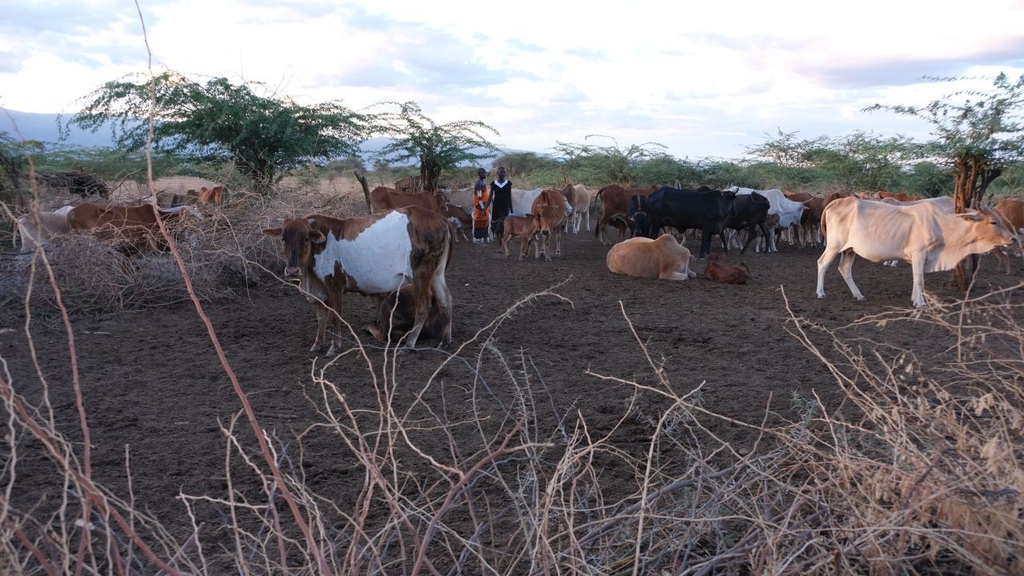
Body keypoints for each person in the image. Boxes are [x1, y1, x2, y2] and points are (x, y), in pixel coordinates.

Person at [490, 166, 512, 240]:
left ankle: (501, 245)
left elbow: (509, 197)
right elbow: (490, 197)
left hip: (505, 207)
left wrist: (511, 210)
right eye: (501, 172)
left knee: (503, 225)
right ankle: (499, 242)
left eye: (503, 172)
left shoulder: (508, 183)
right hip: (496, 207)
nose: (502, 173)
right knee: (496, 225)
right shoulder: (493, 184)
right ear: (497, 173)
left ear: (505, 173)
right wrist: (484, 209)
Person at [472, 167, 492, 243]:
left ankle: (483, 236)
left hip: (484, 206)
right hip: (480, 206)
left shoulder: (482, 182)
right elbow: (479, 197)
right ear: (480, 174)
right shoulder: (478, 183)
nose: (485, 175)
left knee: (484, 221)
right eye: (484, 173)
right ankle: (478, 238)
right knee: (479, 220)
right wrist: (483, 208)